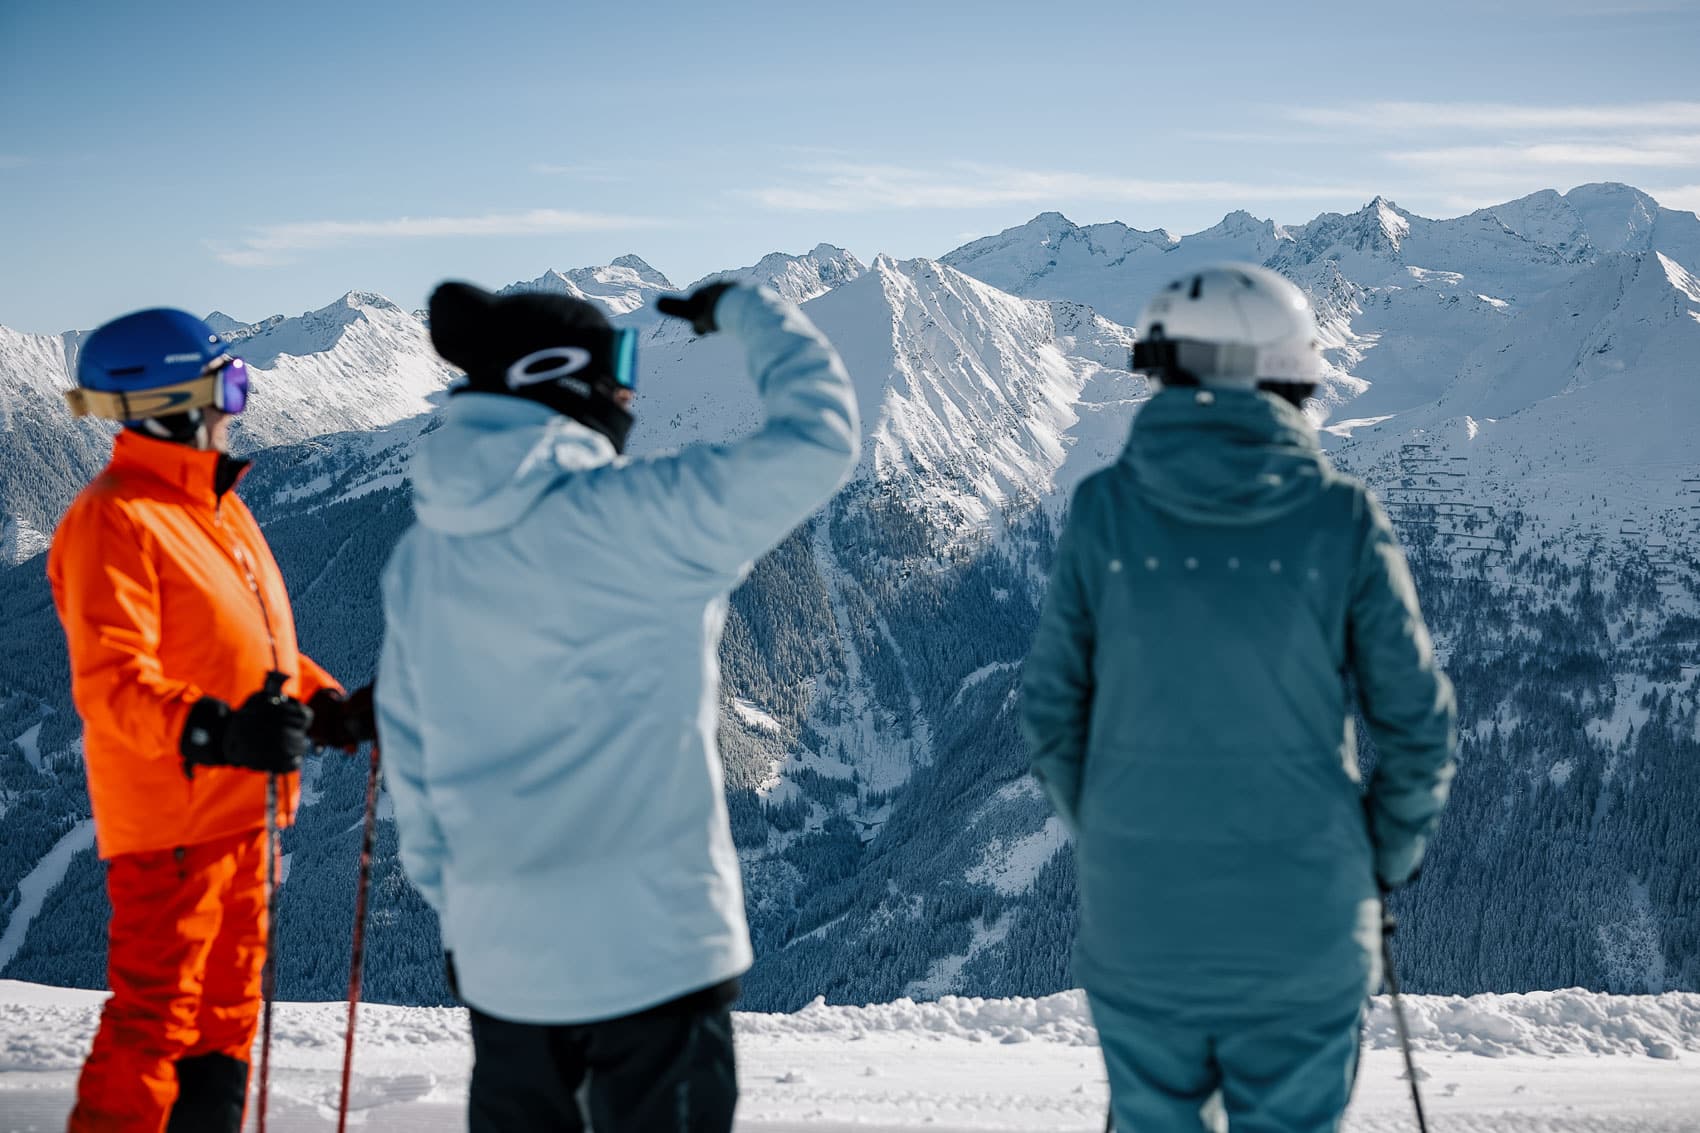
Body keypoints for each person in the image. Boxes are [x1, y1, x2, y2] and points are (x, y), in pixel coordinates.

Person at [376, 279, 859, 1132]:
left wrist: (463, 909)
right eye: (621, 362)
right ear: (560, 374)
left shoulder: (422, 557)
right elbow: (820, 437)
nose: (633, 389)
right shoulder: (641, 516)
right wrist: (746, 313)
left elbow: (411, 751)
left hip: (504, 964)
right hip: (655, 959)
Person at [1021, 264, 1457, 1133]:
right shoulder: (1341, 517)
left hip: (1141, 925)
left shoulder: (1104, 510)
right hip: (1308, 925)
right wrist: (1378, 854)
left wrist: (1114, 827)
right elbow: (1417, 725)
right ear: (1286, 376)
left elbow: (1049, 708)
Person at [48, 308, 375, 1133]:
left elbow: (252, 649)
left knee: (224, 1020)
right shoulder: (116, 516)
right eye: (231, 383)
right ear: (172, 397)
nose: (239, 402)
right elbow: (111, 680)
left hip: (239, 814)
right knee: (156, 1023)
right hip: (174, 822)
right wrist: (220, 732)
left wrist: (323, 704)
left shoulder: (214, 505)